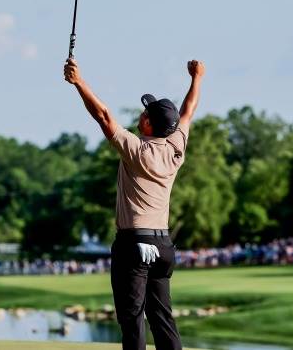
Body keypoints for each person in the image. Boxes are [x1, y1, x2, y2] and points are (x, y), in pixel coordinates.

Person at [64, 57, 205, 350]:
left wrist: (79, 82)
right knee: (162, 319)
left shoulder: (138, 150)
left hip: (134, 244)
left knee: (132, 320)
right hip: (164, 246)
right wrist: (197, 79)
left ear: (149, 123)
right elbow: (188, 111)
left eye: (145, 113)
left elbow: (103, 116)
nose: (141, 114)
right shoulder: (176, 147)